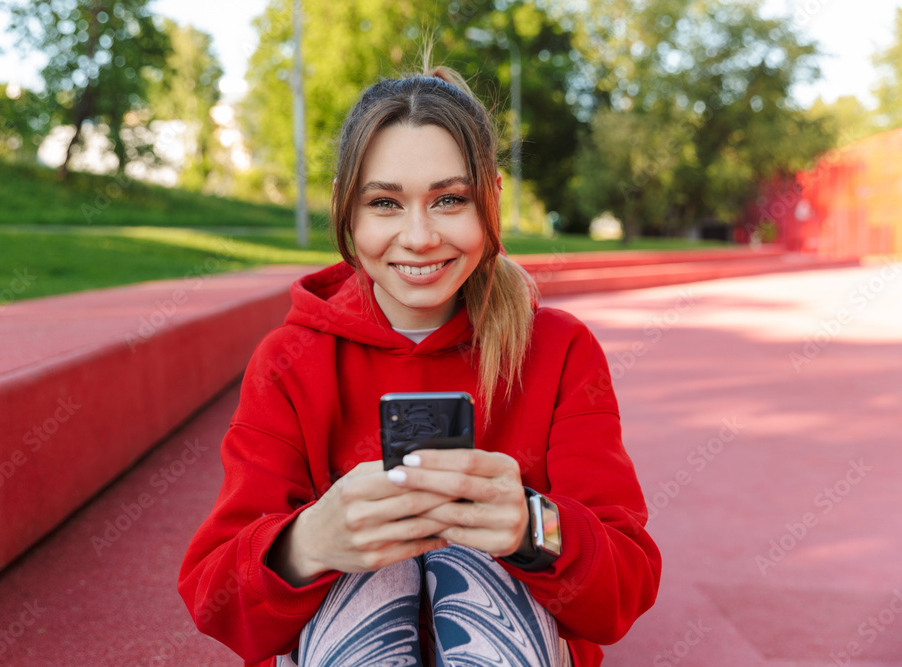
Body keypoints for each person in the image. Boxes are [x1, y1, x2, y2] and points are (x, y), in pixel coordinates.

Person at [178, 63, 661, 667]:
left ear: (490, 202)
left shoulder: (560, 350)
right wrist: (308, 542)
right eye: (384, 202)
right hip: (347, 634)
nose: (420, 236)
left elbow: (626, 586)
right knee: (373, 568)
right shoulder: (288, 360)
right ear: (345, 212)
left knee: (475, 558)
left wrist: (533, 526)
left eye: (449, 199)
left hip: (513, 639)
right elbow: (215, 597)